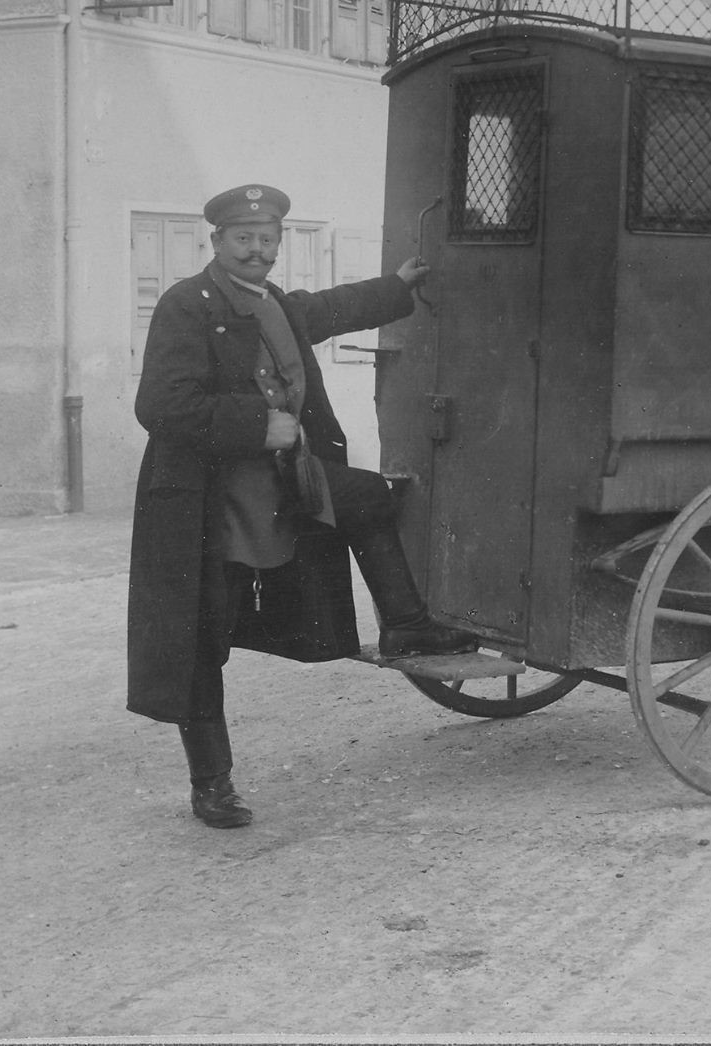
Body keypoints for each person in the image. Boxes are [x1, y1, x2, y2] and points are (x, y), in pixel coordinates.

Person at [127, 183, 480, 830]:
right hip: (210, 502)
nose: (256, 251)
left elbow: (332, 308)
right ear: (217, 241)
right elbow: (160, 406)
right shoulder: (187, 304)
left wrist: (398, 285)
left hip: (283, 484)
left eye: (267, 240)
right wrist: (257, 425)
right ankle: (212, 784)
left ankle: (406, 625)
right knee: (204, 639)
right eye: (244, 239)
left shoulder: (276, 305)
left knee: (367, 495)